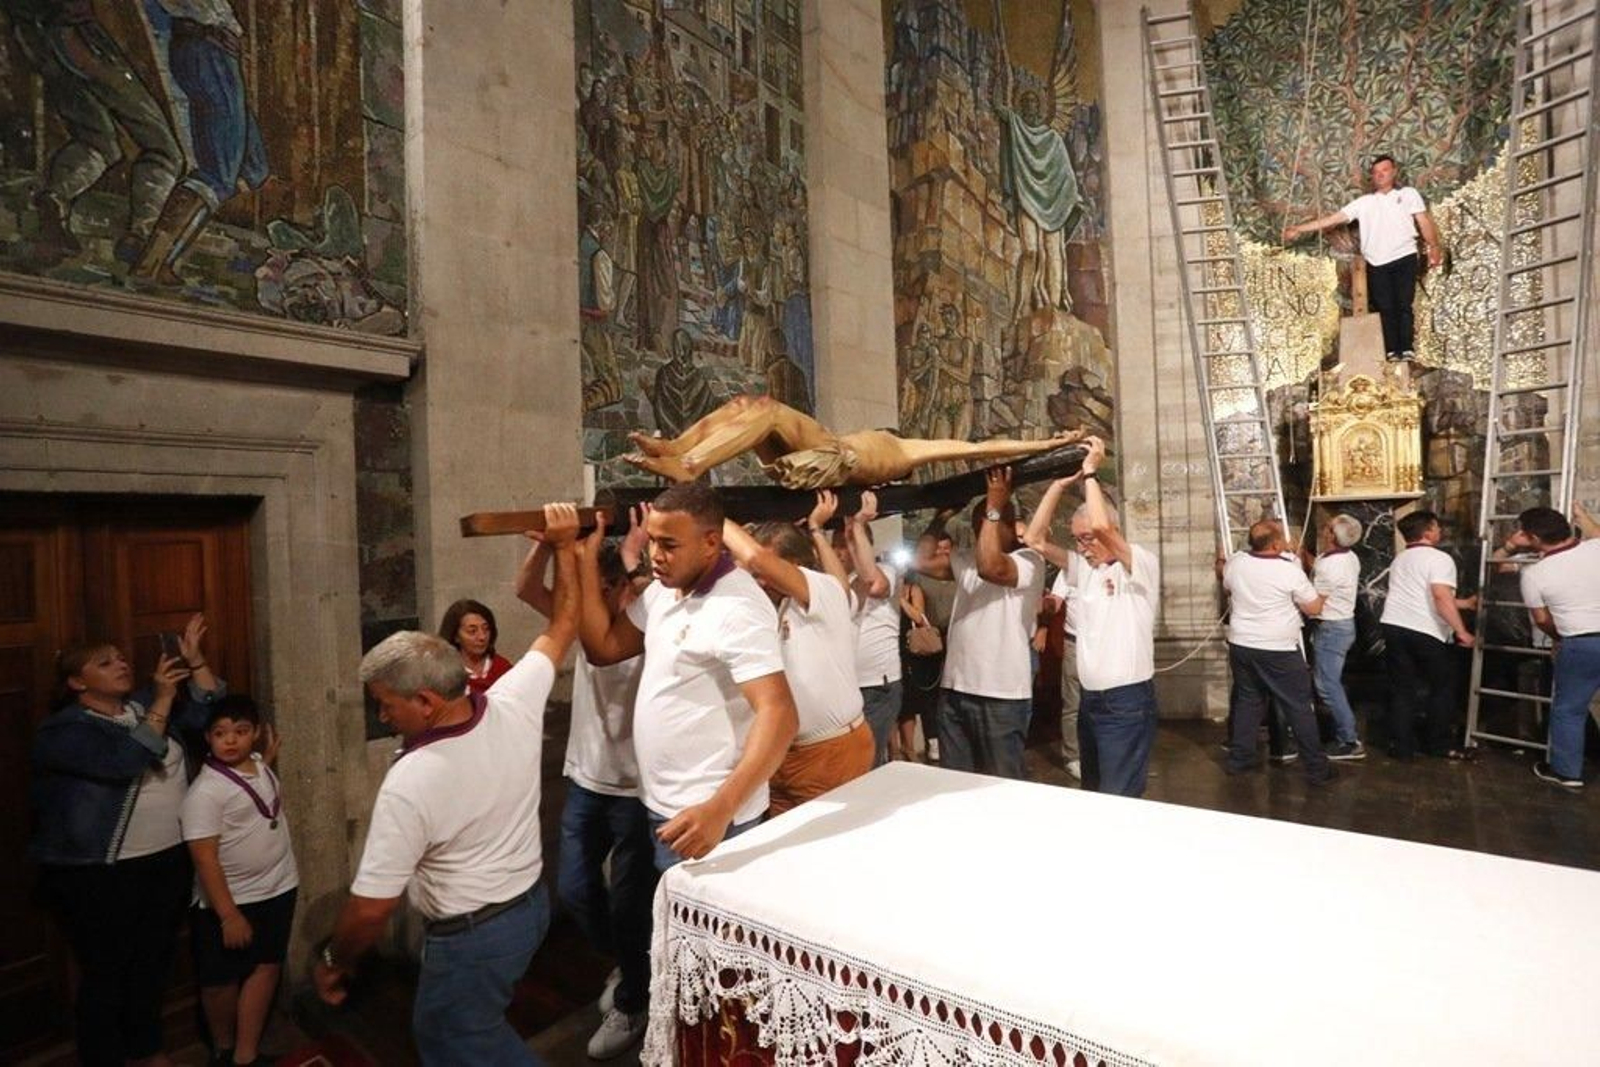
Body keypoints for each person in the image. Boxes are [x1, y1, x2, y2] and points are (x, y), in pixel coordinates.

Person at [313, 503, 583, 1065]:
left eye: (386, 706)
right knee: (470, 1028)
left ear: (426, 701)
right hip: (530, 905)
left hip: (475, 933)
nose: (384, 717)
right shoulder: (513, 699)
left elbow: (369, 910)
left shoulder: (413, 781)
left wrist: (336, 960)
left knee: (457, 1039)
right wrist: (563, 546)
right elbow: (564, 625)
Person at [29, 614, 224, 1067]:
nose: (120, 664)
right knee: (106, 974)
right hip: (104, 872)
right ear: (78, 682)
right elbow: (125, 762)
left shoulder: (142, 706)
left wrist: (195, 663)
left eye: (120, 658)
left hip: (167, 859)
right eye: (104, 662)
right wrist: (161, 700)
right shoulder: (63, 731)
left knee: (152, 965)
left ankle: (148, 1050)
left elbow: (210, 705)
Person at [577, 481, 799, 870]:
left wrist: (721, 808)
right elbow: (604, 648)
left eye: (669, 545)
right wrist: (579, 558)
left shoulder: (736, 608)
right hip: (662, 803)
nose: (656, 556)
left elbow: (780, 715)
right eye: (652, 542)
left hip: (711, 815)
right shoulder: (664, 591)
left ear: (711, 543)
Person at [516, 516, 655, 1059]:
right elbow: (528, 590)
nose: (596, 595)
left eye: (607, 584)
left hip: (638, 785)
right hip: (587, 779)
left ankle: (635, 998)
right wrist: (548, 551)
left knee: (629, 902)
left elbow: (625, 614)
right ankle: (628, 960)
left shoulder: (652, 617)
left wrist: (630, 550)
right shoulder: (583, 616)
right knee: (575, 890)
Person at [1025, 437, 1162, 796]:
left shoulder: (1140, 564)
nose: (1082, 547)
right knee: (1096, 790)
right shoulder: (1082, 568)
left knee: (1120, 795)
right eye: (1077, 540)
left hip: (1126, 701)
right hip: (1092, 698)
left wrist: (1090, 474)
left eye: (1087, 539)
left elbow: (1103, 527)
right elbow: (1035, 540)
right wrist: (1056, 486)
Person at [723, 492, 872, 814]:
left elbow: (756, 559)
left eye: (768, 571)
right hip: (777, 756)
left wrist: (707, 512)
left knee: (830, 849)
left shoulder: (825, 593)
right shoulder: (763, 608)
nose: (760, 581)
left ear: (799, 567)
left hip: (830, 754)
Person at [622, 392, 1080, 489]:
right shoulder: (889, 441)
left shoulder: (908, 450)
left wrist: (1046, 446)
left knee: (768, 409)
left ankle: (690, 464)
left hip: (832, 461)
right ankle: (679, 449)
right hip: (817, 457)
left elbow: (981, 450)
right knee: (748, 406)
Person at [181, 696, 296, 1067]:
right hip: (231, 899)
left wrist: (267, 759)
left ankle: (247, 1054)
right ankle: (224, 1049)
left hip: (278, 888)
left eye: (241, 732)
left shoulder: (259, 764)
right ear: (208, 738)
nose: (230, 741)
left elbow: (254, 784)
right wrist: (229, 915)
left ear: (257, 733)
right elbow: (204, 858)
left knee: (267, 965)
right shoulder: (205, 792)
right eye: (220, 733)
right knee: (220, 982)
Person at [915, 468, 1045, 779]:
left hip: (1001, 693)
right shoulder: (965, 560)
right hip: (956, 688)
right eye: (977, 524)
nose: (980, 529)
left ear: (1010, 527)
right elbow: (920, 562)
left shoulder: (1030, 561)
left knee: (1002, 785)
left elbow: (991, 567)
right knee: (955, 782)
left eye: (987, 522)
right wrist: (939, 519)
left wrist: (994, 506)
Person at [1282, 154, 1444, 361]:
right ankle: (1392, 351)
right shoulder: (1364, 203)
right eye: (1376, 172)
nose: (1380, 175)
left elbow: (1424, 221)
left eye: (1384, 170)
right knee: (1385, 307)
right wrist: (1298, 229)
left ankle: (1407, 348)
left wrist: (1434, 246)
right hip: (1377, 261)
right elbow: (1333, 219)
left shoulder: (1408, 194)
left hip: (1404, 256)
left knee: (1404, 304)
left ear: (1394, 172)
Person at [1221, 521, 1336, 785]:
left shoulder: (1237, 563)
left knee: (1248, 703)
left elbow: (1227, 585)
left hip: (1242, 645)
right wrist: (1325, 596)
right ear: (1275, 544)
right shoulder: (1289, 572)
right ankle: (1317, 769)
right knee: (1298, 706)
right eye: (1283, 538)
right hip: (1278, 649)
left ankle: (1240, 760)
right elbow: (1313, 609)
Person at [1508, 506, 1600, 788]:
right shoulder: (1594, 549)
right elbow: (1596, 533)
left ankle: (1567, 772)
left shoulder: (1535, 574)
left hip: (1580, 642)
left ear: (1534, 538)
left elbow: (1542, 619)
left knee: (1569, 709)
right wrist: (1582, 515)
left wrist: (1558, 638)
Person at [1379, 510, 1476, 760]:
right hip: (1424, 630)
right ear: (1428, 531)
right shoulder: (1440, 559)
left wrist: (1463, 604)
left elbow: (1419, 594)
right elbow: (1440, 597)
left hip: (1394, 625)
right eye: (1436, 527)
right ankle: (1438, 743)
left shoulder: (1400, 559)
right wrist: (1461, 631)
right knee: (1443, 686)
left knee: (1402, 689)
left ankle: (1402, 748)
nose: (1440, 531)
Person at [836, 491, 903, 766]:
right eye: (838, 544)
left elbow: (873, 584)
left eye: (847, 544)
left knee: (868, 763)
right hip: (847, 687)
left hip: (878, 686)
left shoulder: (887, 570)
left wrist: (858, 527)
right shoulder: (834, 579)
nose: (841, 551)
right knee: (850, 764)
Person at [1310, 514, 1366, 760]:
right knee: (1329, 682)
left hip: (1332, 628)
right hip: (1340, 626)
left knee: (1327, 685)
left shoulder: (1330, 566)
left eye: (1327, 528)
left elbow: (1315, 605)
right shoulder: (1346, 557)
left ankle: (1349, 740)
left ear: (1332, 536)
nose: (1324, 530)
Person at [900, 526, 955, 762]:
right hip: (928, 642)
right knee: (924, 696)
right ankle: (925, 742)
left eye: (946, 548)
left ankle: (944, 739)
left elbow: (918, 614)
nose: (942, 553)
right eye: (938, 548)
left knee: (945, 692)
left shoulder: (961, 574)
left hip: (955, 635)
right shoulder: (921, 576)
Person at [437, 598, 512, 695]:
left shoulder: (503, 668)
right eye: (472, 631)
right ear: (456, 636)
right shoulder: (445, 675)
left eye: (486, 629)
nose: (482, 637)